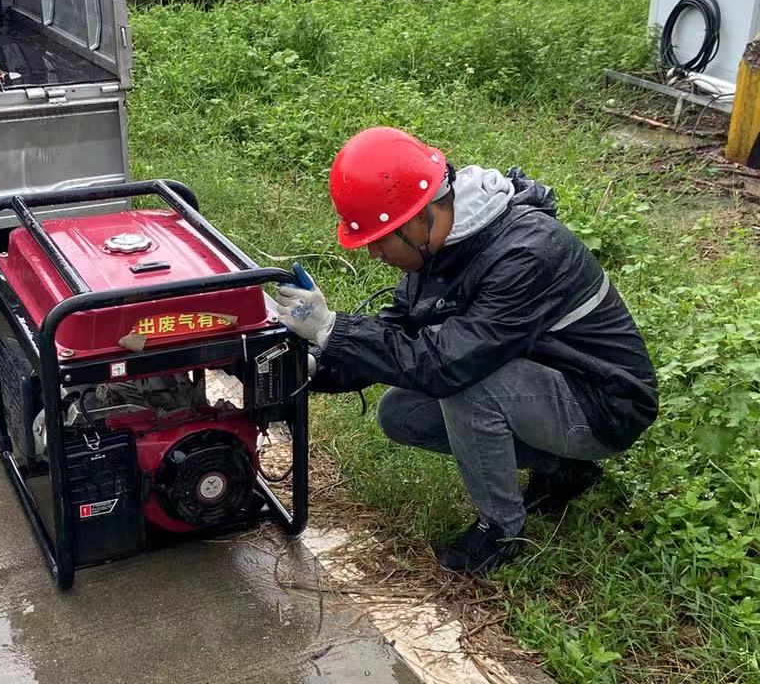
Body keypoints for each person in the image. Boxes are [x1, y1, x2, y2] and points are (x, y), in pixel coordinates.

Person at [273, 126, 658, 574]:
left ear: (419, 218)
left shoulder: (525, 252)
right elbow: (397, 337)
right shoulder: (441, 248)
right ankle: (562, 467)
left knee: (469, 387)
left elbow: (447, 365)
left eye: (380, 239)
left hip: (604, 404)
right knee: (401, 413)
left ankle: (501, 529)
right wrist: (315, 360)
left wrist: (335, 328)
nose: (375, 253)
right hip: (544, 383)